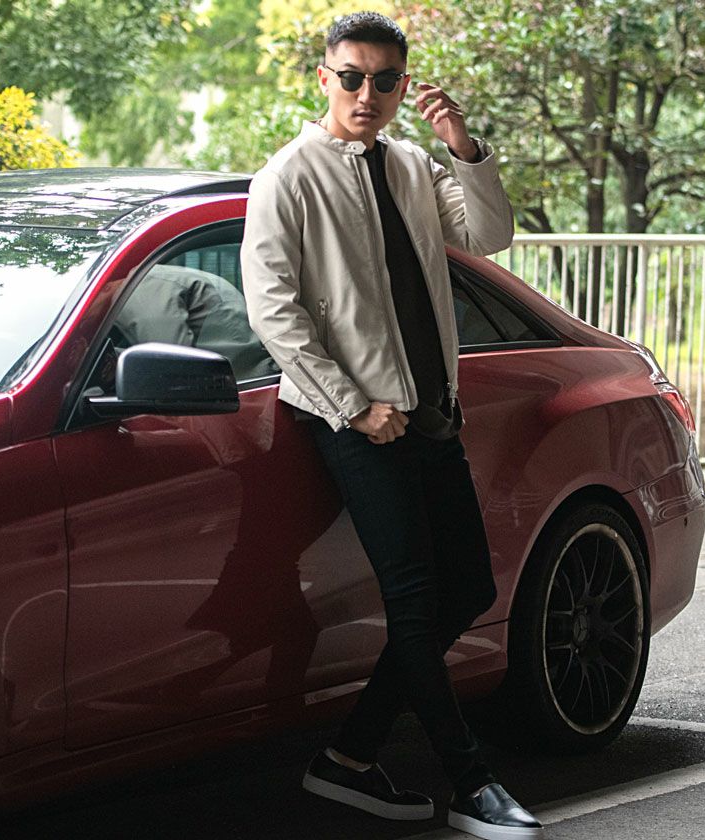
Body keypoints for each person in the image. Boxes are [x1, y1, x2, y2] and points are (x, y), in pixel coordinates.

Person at [241, 11, 543, 840]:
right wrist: (350, 405)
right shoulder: (287, 178)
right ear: (324, 79)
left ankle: (349, 757)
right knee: (414, 599)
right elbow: (273, 310)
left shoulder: (411, 165)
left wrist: (463, 148)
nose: (365, 93)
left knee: (468, 588)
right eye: (351, 76)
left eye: (383, 80)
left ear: (403, 87)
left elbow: (487, 234)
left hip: (430, 412)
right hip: (357, 422)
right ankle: (471, 783)